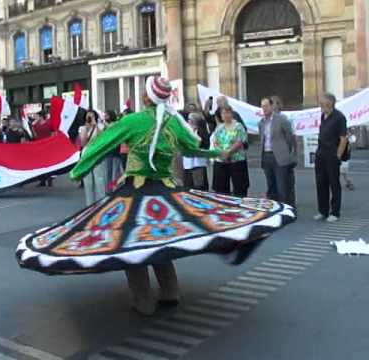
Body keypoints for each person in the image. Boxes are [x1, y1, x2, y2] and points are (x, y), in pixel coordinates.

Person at [16, 76, 296, 317]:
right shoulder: (175, 123)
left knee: (131, 242)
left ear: (145, 97)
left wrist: (78, 170)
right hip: (166, 192)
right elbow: (193, 150)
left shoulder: (134, 121)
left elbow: (100, 145)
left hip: (135, 192)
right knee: (161, 238)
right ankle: (170, 292)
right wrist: (216, 154)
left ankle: (143, 302)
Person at [314, 93, 348, 222]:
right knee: (320, 183)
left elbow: (343, 138)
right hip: (320, 154)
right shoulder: (323, 116)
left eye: (322, 103)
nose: (320, 105)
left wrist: (338, 155)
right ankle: (322, 211)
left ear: (329, 103)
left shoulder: (339, 117)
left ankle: (335, 212)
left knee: (334, 183)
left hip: (332, 155)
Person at [259, 97, 297, 208]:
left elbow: (289, 137)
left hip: (280, 157)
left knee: (282, 186)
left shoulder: (282, 120)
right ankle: (274, 208)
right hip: (266, 156)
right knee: (271, 186)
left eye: (266, 106)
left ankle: (286, 208)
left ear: (271, 106)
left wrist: (288, 152)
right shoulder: (261, 122)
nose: (264, 109)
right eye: (262, 107)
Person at [212, 105, 250, 197]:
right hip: (221, 161)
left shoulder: (238, 126)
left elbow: (240, 142)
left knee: (240, 188)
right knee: (221, 189)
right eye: (223, 113)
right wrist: (221, 153)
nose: (225, 115)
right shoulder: (219, 127)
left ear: (231, 114)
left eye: (227, 113)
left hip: (236, 161)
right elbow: (215, 141)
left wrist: (228, 153)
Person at [78, 110, 107, 205]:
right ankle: (90, 205)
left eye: (92, 116)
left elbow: (101, 139)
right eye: (88, 116)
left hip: (96, 152)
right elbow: (83, 142)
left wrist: (95, 125)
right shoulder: (82, 128)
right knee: (88, 180)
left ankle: (101, 202)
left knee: (99, 178)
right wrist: (87, 128)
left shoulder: (100, 127)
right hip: (87, 153)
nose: (89, 118)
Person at [183, 112, 210, 190]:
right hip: (188, 164)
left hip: (197, 165)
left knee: (199, 187)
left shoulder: (201, 132)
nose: (188, 122)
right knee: (188, 187)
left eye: (189, 120)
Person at [32, 111, 54, 187]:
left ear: (41, 116)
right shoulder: (35, 125)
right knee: (40, 164)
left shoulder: (48, 123)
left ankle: (49, 179)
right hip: (39, 146)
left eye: (36, 115)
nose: (35, 117)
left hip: (47, 146)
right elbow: (34, 136)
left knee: (48, 163)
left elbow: (52, 134)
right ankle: (42, 180)